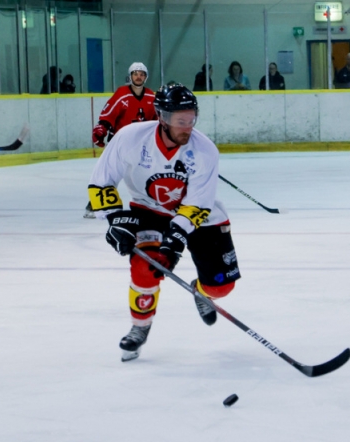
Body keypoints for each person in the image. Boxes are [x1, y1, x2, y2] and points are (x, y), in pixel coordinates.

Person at [87, 84, 241, 361]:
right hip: (149, 209)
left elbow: (199, 204)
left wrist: (177, 238)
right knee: (146, 264)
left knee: (221, 287)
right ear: (161, 116)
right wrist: (113, 219)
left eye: (192, 119)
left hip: (201, 217)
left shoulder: (205, 151)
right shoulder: (130, 139)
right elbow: (101, 183)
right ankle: (139, 327)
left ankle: (201, 290)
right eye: (180, 120)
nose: (187, 126)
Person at [86, 62, 156, 218]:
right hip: (119, 143)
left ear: (146, 77)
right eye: (135, 73)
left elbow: (157, 122)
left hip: (141, 145)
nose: (138, 76)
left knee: (145, 174)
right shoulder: (122, 93)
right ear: (130, 76)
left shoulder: (152, 96)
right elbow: (108, 114)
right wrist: (101, 129)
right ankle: (95, 205)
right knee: (109, 175)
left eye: (142, 74)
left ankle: (149, 205)